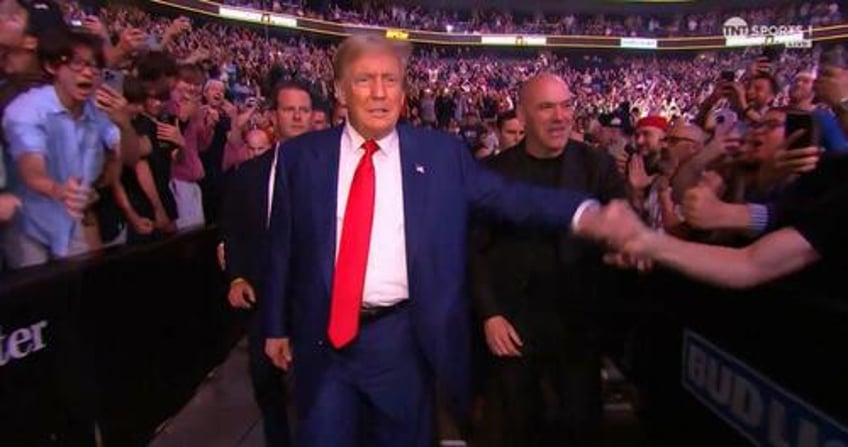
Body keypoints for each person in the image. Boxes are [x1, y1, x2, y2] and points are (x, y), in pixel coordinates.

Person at [261, 35, 628, 446]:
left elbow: (509, 197)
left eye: (391, 79)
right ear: (340, 90)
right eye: (364, 80)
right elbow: (282, 248)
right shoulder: (299, 158)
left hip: (400, 339)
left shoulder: (440, 154)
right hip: (321, 337)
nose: (380, 93)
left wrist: (585, 212)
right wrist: (274, 324)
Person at [471, 73, 626, 447]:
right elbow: (472, 249)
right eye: (546, 107)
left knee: (578, 427)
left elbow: (623, 223)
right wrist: (489, 314)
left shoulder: (597, 166)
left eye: (566, 105)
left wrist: (623, 242)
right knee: (518, 429)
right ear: (522, 117)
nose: (560, 116)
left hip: (577, 328)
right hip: (513, 327)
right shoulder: (493, 173)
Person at [219, 81, 314, 447]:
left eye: (303, 110)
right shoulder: (250, 174)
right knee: (266, 384)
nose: (296, 116)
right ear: (274, 116)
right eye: (289, 109)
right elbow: (233, 229)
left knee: (316, 392)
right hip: (264, 297)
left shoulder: (336, 172)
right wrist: (237, 277)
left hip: (314, 301)